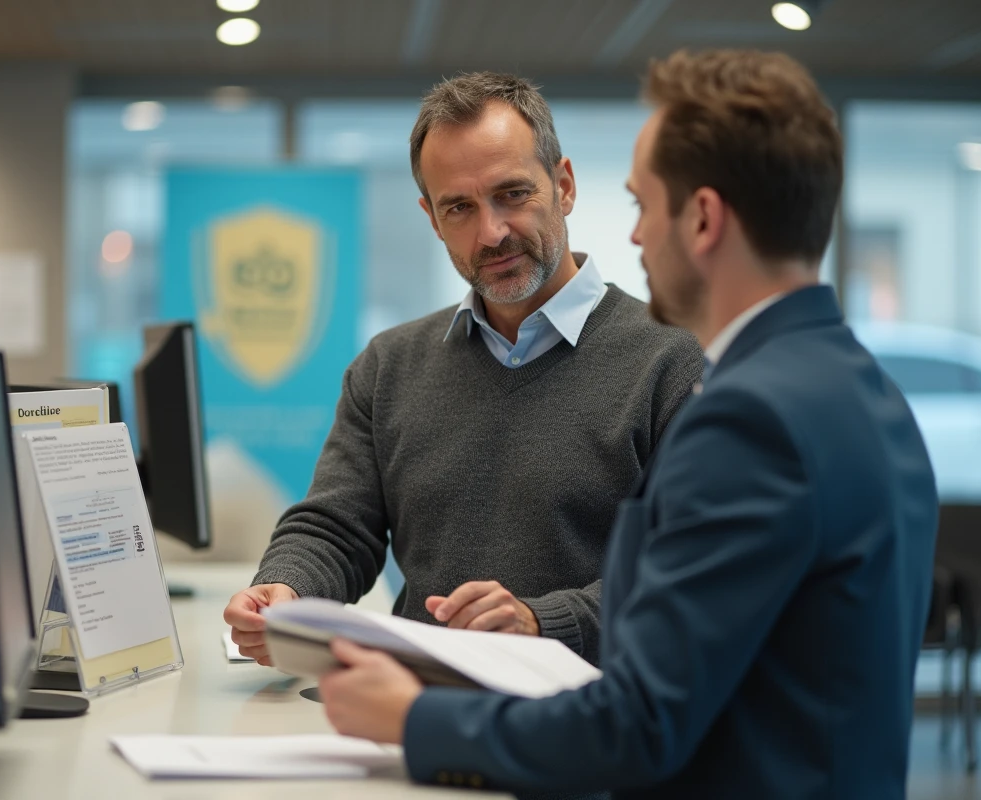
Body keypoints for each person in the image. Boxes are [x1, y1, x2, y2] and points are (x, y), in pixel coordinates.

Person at [317, 49, 939, 799]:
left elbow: (640, 722)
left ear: (702, 218)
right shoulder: (862, 389)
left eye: (643, 205)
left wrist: (415, 720)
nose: (636, 237)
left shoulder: (752, 419)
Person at [225, 72, 703, 666]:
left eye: (513, 194)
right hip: (415, 698)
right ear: (432, 218)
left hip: (588, 707)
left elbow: (688, 569)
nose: (491, 232)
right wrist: (285, 589)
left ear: (564, 186)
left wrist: (541, 623)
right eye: (459, 208)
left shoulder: (673, 361)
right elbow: (337, 527)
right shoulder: (389, 365)